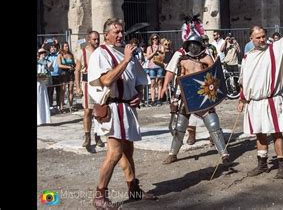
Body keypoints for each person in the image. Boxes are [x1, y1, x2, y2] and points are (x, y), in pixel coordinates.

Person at [88, 18, 155, 207]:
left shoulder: (128, 52)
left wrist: (138, 95)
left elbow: (139, 79)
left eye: (121, 31)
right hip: (111, 107)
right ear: (106, 35)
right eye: (115, 32)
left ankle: (133, 189)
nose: (120, 35)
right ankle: (100, 196)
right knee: (115, 153)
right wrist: (125, 60)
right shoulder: (100, 54)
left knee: (128, 152)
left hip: (127, 107)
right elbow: (107, 80)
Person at [237, 18, 283, 179]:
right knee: (259, 133)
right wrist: (242, 99)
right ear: (251, 39)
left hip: (271, 99)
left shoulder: (274, 50)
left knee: (276, 133)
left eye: (263, 36)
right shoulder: (247, 58)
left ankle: (282, 164)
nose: (261, 39)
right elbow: (244, 81)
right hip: (254, 102)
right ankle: (262, 164)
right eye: (257, 37)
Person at [159, 34, 230, 166]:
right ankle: (172, 154)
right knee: (180, 126)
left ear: (200, 45)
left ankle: (224, 153)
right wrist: (165, 88)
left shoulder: (207, 58)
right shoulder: (182, 59)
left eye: (195, 44)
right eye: (190, 44)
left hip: (203, 95)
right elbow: (173, 73)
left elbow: (214, 73)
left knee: (213, 124)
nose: (193, 47)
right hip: (186, 96)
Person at [74, 31, 104, 148]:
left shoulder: (101, 52)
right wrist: (77, 87)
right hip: (87, 84)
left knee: (100, 111)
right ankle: (87, 136)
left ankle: (98, 135)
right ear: (89, 40)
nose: (97, 41)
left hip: (99, 84)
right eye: (94, 39)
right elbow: (77, 70)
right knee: (87, 111)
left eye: (98, 39)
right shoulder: (82, 53)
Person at [37, 48, 52, 126]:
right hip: (37, 83)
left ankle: (43, 119)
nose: (43, 54)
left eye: (44, 53)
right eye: (41, 53)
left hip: (43, 83)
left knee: (43, 100)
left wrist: (49, 67)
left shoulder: (46, 63)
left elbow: (49, 72)